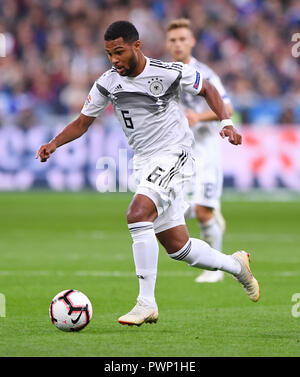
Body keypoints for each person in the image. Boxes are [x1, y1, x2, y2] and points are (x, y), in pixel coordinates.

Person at [36, 21, 260, 327]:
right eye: (109, 54)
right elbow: (82, 122)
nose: (114, 60)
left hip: (176, 155)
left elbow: (206, 87)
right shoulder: (107, 83)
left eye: (119, 52)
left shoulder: (166, 72)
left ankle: (146, 303)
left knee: (137, 213)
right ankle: (236, 265)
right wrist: (54, 143)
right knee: (178, 247)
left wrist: (225, 122)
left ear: (136, 46)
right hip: (144, 163)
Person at [165, 18, 232, 283]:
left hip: (205, 150)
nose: (178, 44)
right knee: (176, 210)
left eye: (182, 39)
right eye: (173, 40)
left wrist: (198, 117)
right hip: (177, 153)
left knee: (202, 211)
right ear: (167, 44)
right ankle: (212, 212)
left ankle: (214, 269)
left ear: (191, 42)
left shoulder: (206, 73)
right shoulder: (163, 73)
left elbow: (229, 108)